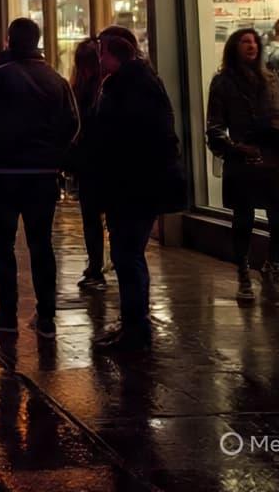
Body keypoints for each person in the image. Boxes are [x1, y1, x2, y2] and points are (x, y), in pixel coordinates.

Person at [0, 17, 79, 339]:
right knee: (41, 244)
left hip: (4, 175)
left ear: (9, 41)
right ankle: (46, 317)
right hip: (42, 176)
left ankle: (8, 312)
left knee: (2, 244)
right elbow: (72, 124)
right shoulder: (56, 80)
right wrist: (54, 157)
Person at [80, 27, 185, 353]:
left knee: (128, 257)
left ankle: (136, 330)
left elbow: (126, 140)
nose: (99, 59)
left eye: (103, 53)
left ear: (115, 53)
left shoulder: (132, 86)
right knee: (127, 257)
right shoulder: (132, 83)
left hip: (133, 187)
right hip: (130, 186)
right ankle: (131, 324)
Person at [206, 27, 279, 303]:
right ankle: (243, 273)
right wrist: (235, 147)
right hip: (246, 159)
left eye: (254, 41)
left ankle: (272, 267)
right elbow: (215, 126)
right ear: (235, 47)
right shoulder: (223, 82)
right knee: (244, 218)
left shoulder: (273, 79)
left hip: (277, 158)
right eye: (245, 41)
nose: (251, 46)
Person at [67, 39, 108, 292]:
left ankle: (97, 266)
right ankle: (96, 265)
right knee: (92, 217)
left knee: (93, 217)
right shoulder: (84, 88)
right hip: (91, 163)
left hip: (97, 162)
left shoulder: (102, 88)